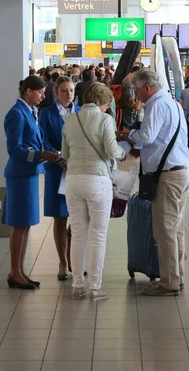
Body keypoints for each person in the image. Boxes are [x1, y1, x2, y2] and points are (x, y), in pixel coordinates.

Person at [122, 69, 189, 296]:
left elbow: (147, 137)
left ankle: (169, 282)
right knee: (176, 229)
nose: (135, 94)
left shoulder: (156, 105)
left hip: (168, 176)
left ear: (147, 88)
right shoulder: (173, 104)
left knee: (164, 231)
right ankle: (177, 277)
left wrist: (128, 135)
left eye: (136, 89)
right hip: (181, 170)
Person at [62, 82, 128, 301]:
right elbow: (111, 149)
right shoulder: (105, 119)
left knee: (78, 233)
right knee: (98, 235)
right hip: (98, 180)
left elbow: (65, 153)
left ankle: (77, 285)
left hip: (72, 180)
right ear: (103, 101)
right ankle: (96, 287)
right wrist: (122, 154)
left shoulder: (70, 119)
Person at [2, 75, 58, 289]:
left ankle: (20, 270)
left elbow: (37, 140)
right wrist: (39, 155)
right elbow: (14, 149)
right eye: (41, 92)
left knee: (25, 225)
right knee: (20, 224)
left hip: (30, 174)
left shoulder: (31, 112)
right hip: (19, 175)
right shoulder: (16, 114)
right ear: (29, 92)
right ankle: (14, 272)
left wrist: (48, 153)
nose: (44, 96)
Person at [39, 76, 80, 281]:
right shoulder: (46, 114)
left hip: (78, 169)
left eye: (71, 90)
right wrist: (58, 157)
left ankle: (75, 259)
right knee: (60, 215)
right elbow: (43, 139)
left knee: (78, 216)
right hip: (56, 169)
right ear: (56, 93)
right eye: (64, 90)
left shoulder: (81, 112)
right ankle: (62, 263)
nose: (68, 94)